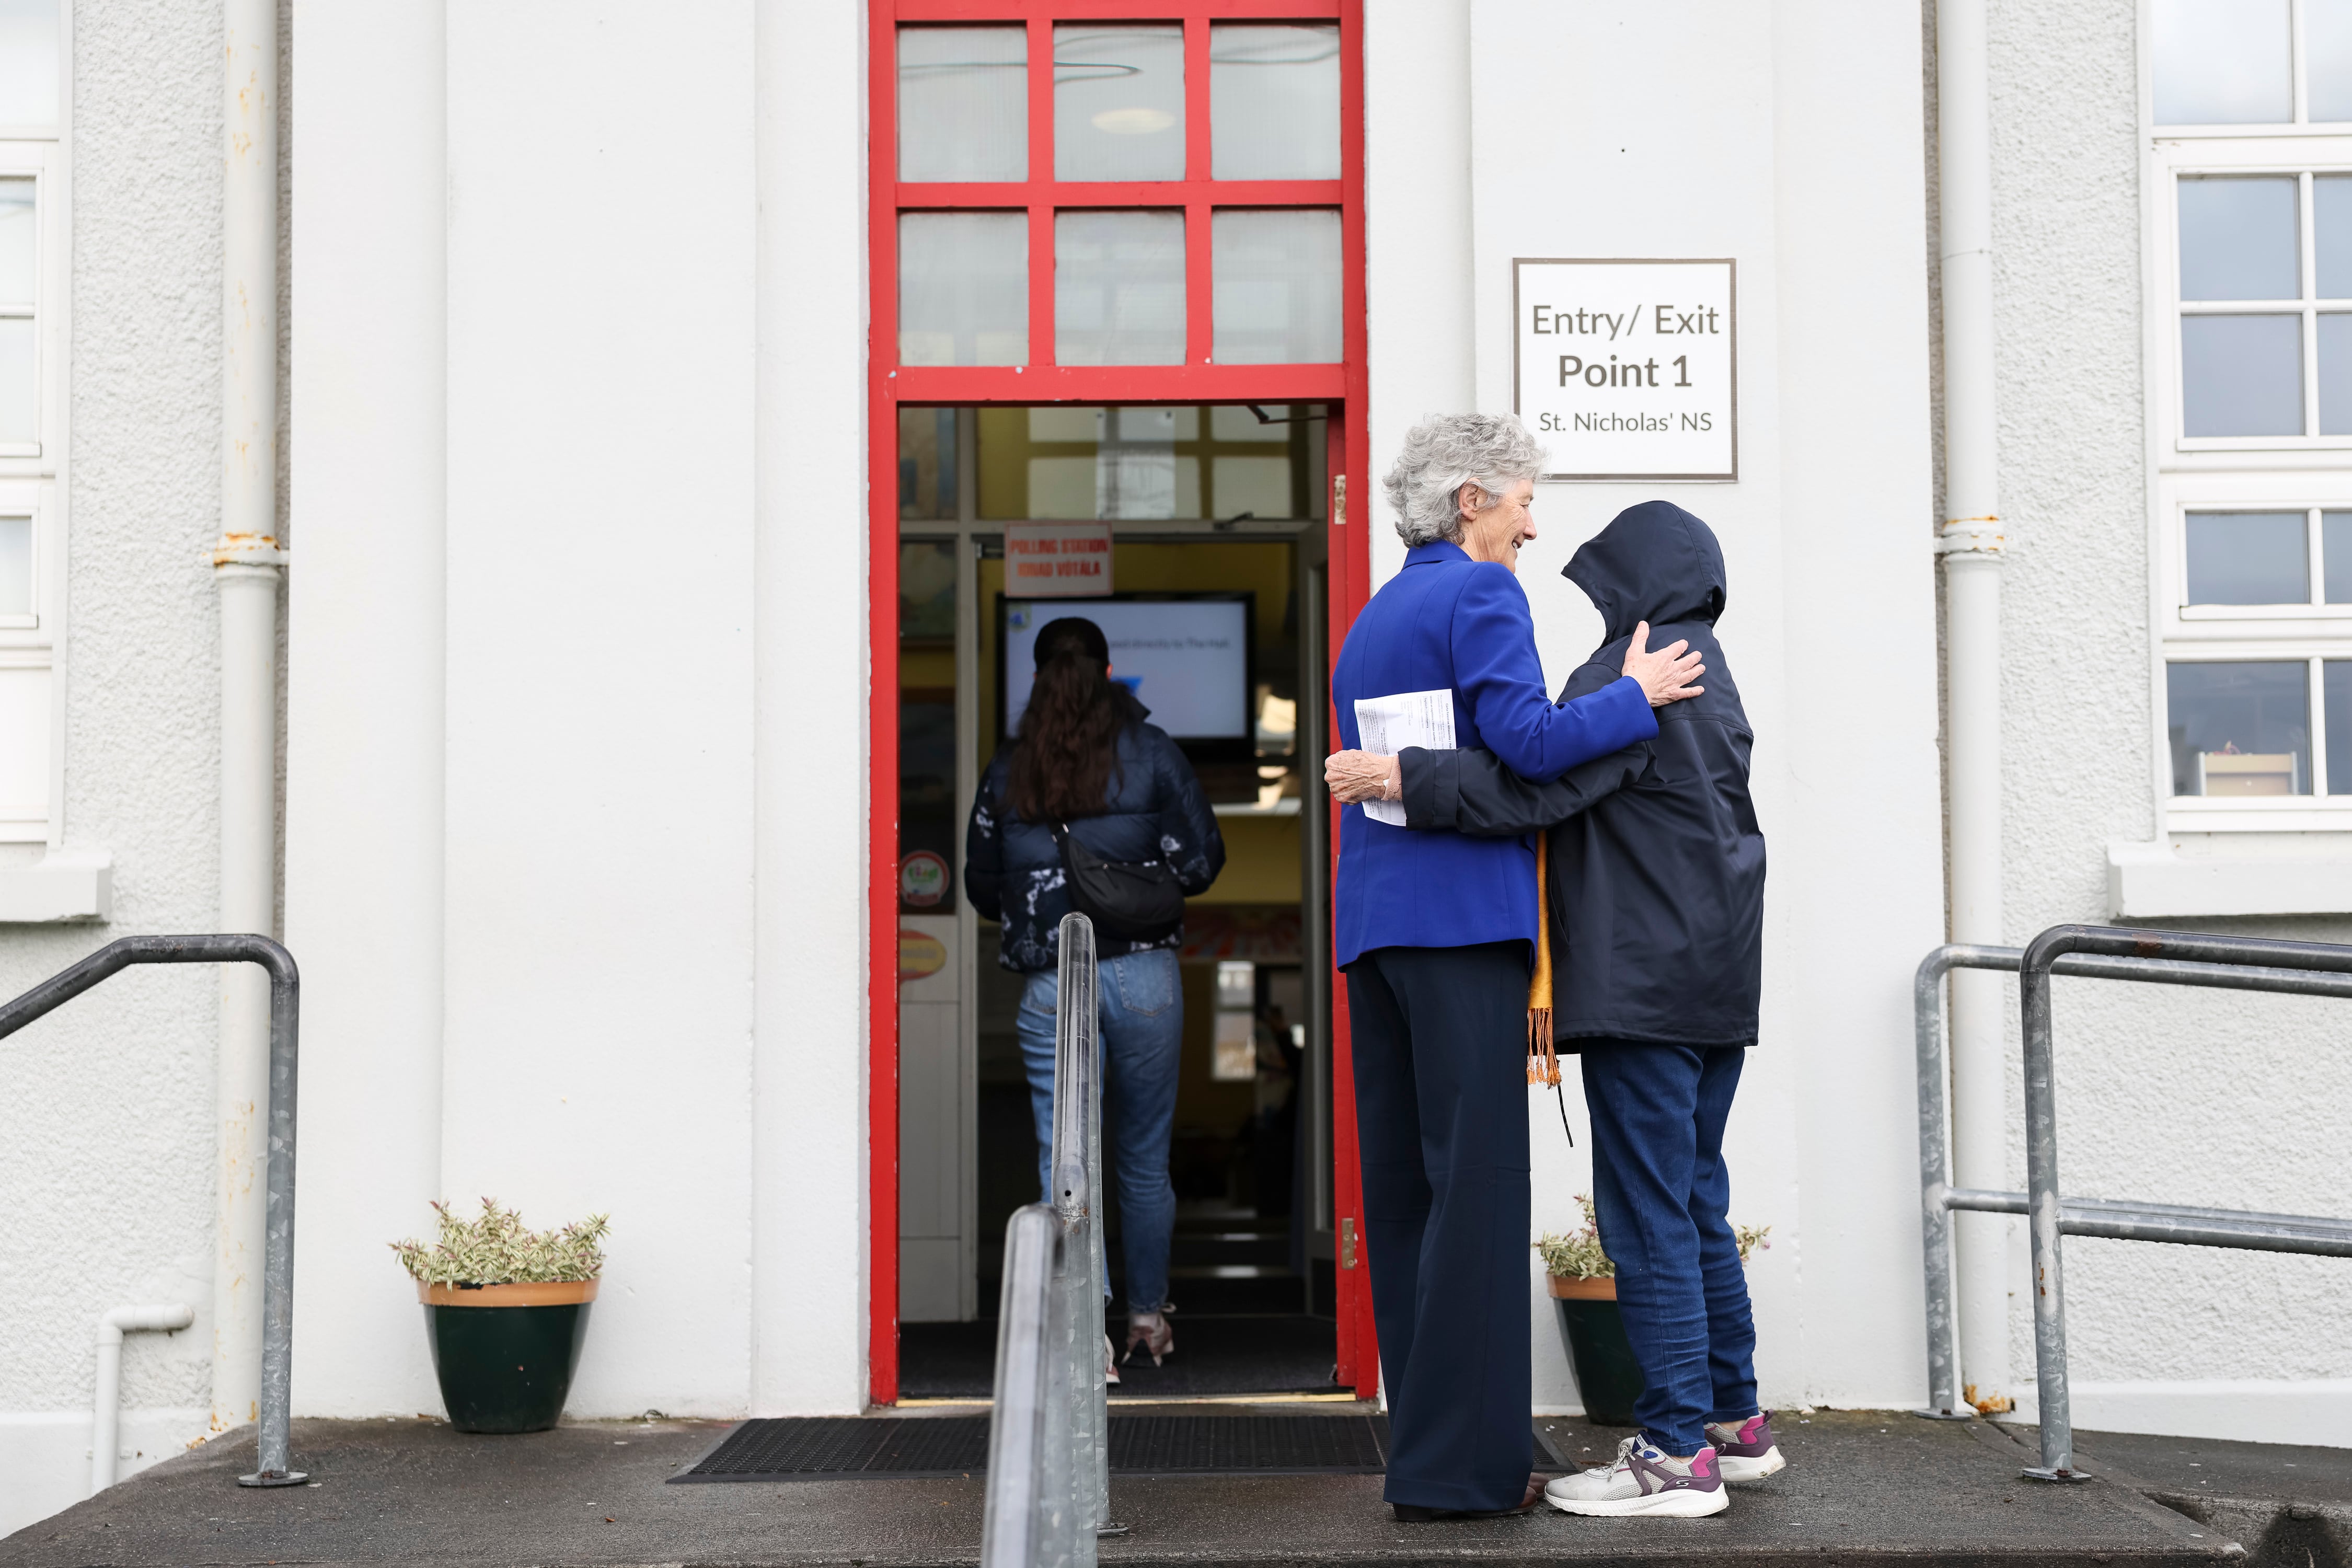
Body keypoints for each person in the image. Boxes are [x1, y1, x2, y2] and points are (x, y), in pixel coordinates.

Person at [1328, 500, 1771, 1520]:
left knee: (1643, 1211)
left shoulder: (1633, 675)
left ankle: (1671, 1454)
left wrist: (1402, 775)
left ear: (1632, 586)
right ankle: (1735, 1426)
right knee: (1697, 1195)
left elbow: (1535, 790)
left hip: (1640, 992)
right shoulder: (1718, 674)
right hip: (1715, 988)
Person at [963, 615, 1225, 1372]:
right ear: (1110, 674)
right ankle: (1147, 1316)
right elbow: (1203, 860)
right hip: (1143, 972)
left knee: (1063, 1155)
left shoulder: (1011, 769)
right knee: (1144, 1157)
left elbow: (984, 881)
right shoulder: (1151, 752)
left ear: (1037, 680)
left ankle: (1088, 1336)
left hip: (1052, 979)